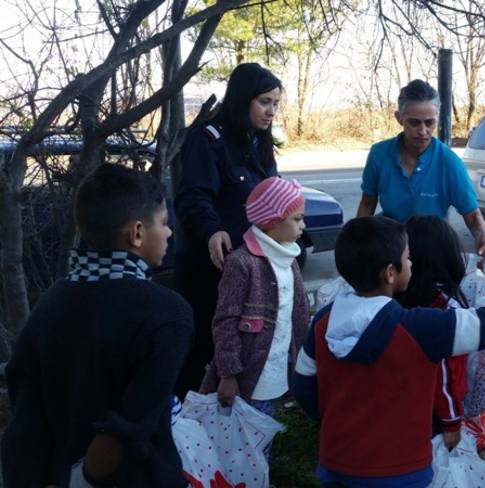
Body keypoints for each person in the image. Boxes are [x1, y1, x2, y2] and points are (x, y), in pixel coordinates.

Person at [292, 216, 485, 488]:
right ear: (390, 273)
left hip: (338, 462)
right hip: (401, 470)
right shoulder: (421, 328)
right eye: (407, 257)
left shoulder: (323, 321)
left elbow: (303, 386)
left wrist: (338, 421)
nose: (412, 263)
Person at [1, 164, 193, 487]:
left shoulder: (50, 303)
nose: (170, 232)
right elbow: (126, 429)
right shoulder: (167, 314)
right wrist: (82, 480)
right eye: (163, 223)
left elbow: (25, 417)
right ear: (136, 233)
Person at [174, 62, 283, 398]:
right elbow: (193, 195)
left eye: (276, 104)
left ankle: (234, 419)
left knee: (241, 345)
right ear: (243, 98)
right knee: (204, 350)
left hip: (249, 264)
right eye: (264, 102)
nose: (271, 112)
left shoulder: (256, 141)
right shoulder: (208, 140)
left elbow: (271, 190)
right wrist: (213, 231)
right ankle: (189, 422)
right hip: (210, 268)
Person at [199, 177, 309, 436]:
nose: (303, 225)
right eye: (297, 219)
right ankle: (247, 477)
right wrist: (228, 373)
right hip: (247, 377)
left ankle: (257, 473)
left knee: (261, 437)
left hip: (275, 372)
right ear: (272, 221)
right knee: (243, 442)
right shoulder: (242, 263)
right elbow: (225, 321)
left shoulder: (288, 258)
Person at [356, 79, 485, 265]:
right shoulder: (379, 154)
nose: (423, 131)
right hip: (391, 247)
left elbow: (472, 215)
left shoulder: (448, 161)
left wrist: (483, 238)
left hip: (432, 250)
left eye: (430, 123)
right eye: (414, 123)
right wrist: (359, 241)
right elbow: (367, 204)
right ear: (399, 118)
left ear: (437, 118)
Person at [395, 215, 471, 451]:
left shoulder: (395, 300)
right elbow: (445, 373)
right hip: (434, 413)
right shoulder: (446, 310)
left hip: (398, 403)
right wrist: (451, 422)